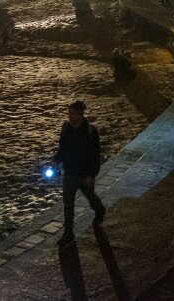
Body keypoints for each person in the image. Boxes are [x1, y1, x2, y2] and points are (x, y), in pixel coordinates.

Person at [52, 100, 106, 246]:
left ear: (81, 115)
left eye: (73, 114)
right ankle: (68, 233)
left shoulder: (90, 131)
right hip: (69, 174)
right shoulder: (66, 128)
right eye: (69, 114)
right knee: (68, 204)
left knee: (90, 196)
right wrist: (56, 160)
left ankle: (100, 210)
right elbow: (62, 149)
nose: (70, 117)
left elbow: (95, 155)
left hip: (84, 175)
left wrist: (91, 175)